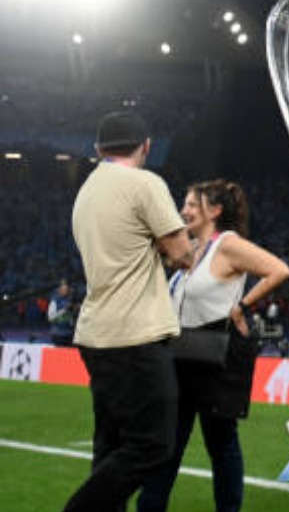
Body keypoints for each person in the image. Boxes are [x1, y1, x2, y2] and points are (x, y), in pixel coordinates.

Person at [65, 110, 194, 512]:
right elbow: (183, 255)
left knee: (110, 445)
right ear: (146, 147)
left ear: (98, 148)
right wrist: (172, 243)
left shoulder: (86, 191)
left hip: (95, 333)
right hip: (134, 335)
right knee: (152, 445)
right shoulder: (144, 182)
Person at [138, 179, 289, 512]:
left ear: (215, 210)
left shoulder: (227, 244)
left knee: (221, 444)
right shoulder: (192, 248)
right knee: (168, 443)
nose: (184, 210)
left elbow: (279, 270)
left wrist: (243, 306)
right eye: (185, 204)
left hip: (213, 357)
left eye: (193, 204)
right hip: (180, 355)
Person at [47, 280, 76, 347]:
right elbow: (50, 317)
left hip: (69, 334)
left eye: (67, 289)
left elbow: (71, 318)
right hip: (58, 334)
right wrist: (64, 310)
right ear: (59, 290)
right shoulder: (55, 301)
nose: (65, 291)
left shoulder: (71, 300)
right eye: (63, 289)